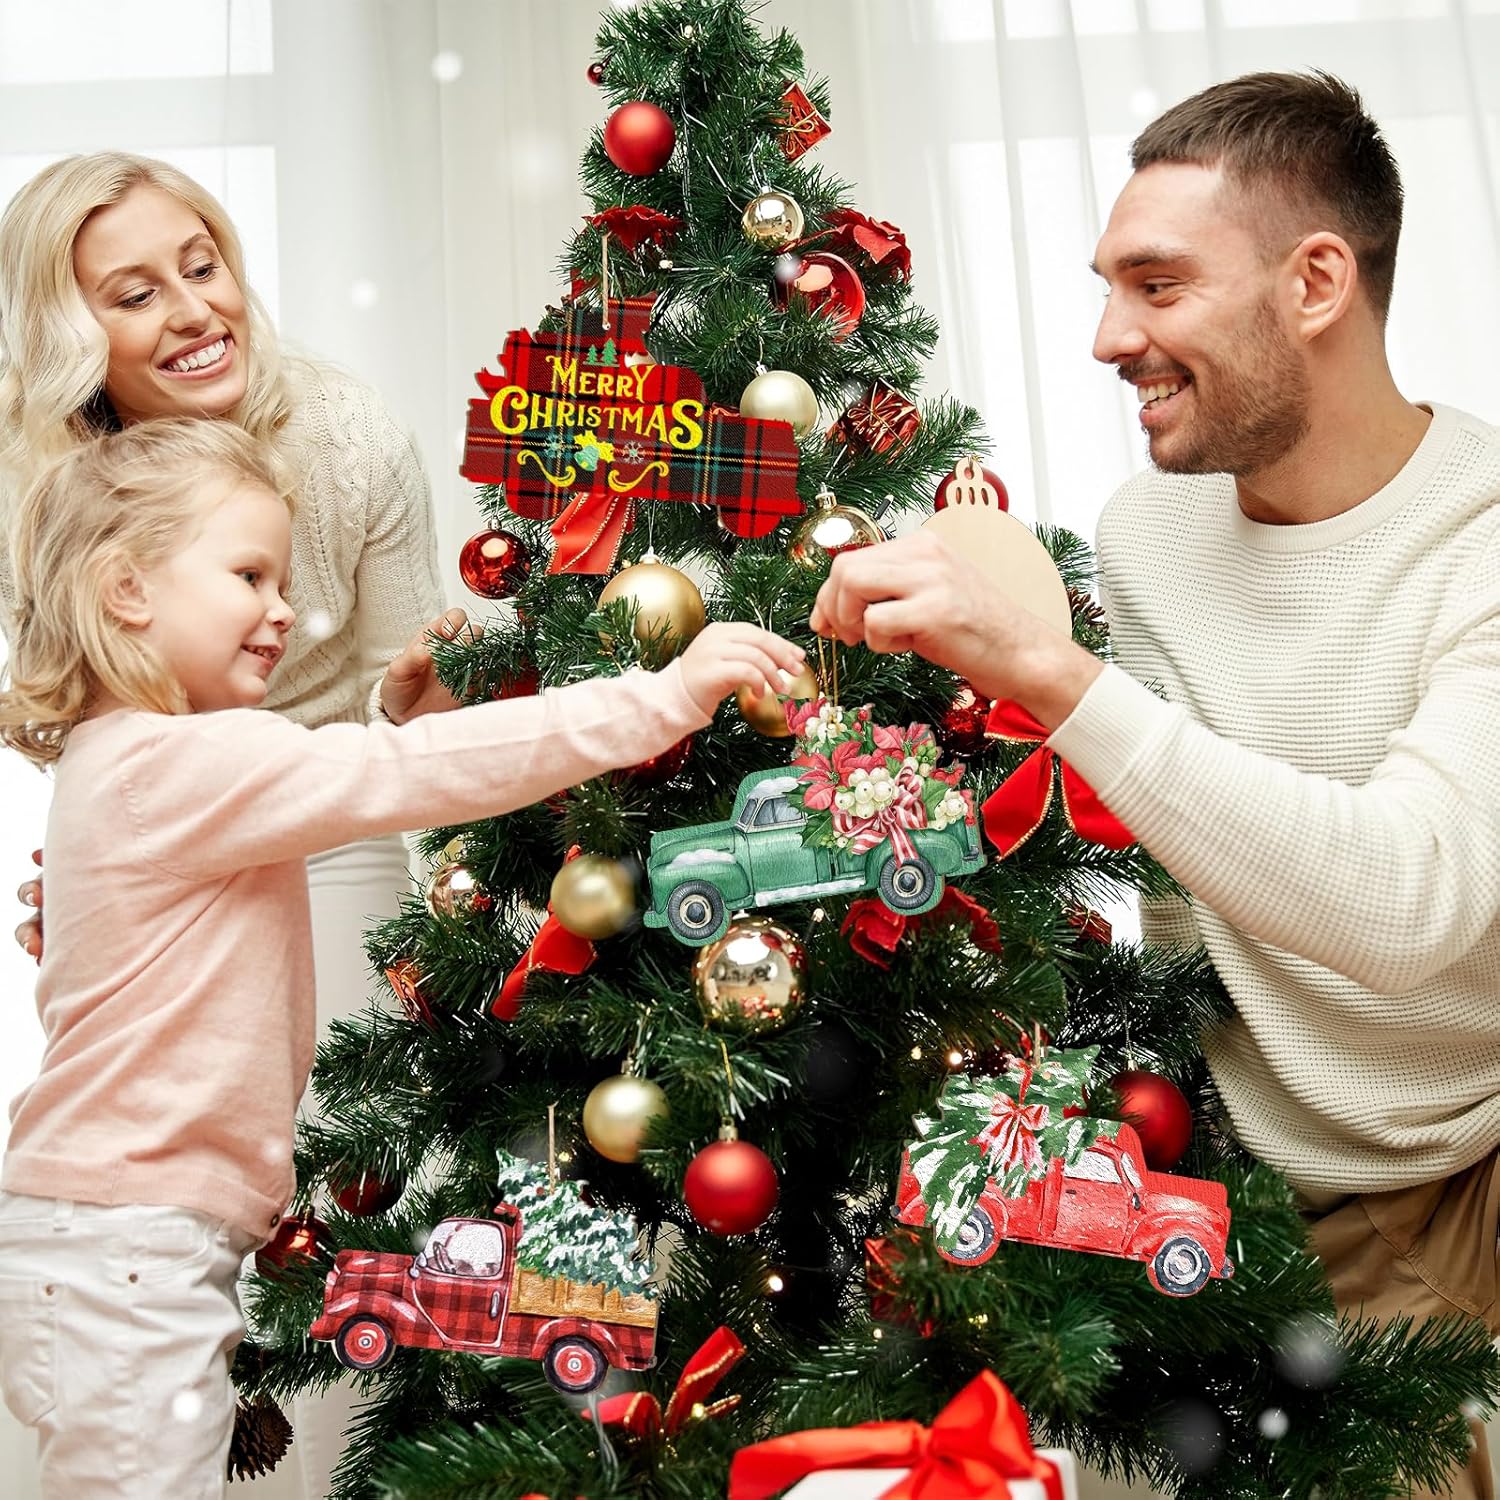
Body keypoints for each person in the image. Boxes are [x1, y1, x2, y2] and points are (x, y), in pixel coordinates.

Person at [810, 71, 1500, 1500]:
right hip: (1299, 1171)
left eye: (1158, 285)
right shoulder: (1149, 531)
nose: (1111, 337)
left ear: (1318, 281)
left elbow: (1413, 898)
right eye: (1107, 286)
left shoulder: (1483, 539)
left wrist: (1058, 681)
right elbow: (1178, 834)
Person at [0, 416, 804, 1499]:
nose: (284, 608)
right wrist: (659, 699)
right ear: (127, 591)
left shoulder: (122, 769)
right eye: (248, 573)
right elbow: (410, 769)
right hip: (124, 1250)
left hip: (113, 1240)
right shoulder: (182, 761)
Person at [0, 152, 460, 1497]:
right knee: (181, 1223)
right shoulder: (43, 478)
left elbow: (407, 710)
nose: (195, 309)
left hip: (339, 812)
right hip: (184, 851)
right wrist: (102, 875)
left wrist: (411, 703)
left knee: (358, 1203)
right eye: (135, 294)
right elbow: (67, 722)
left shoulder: (343, 430)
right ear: (73, 335)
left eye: (203, 265)